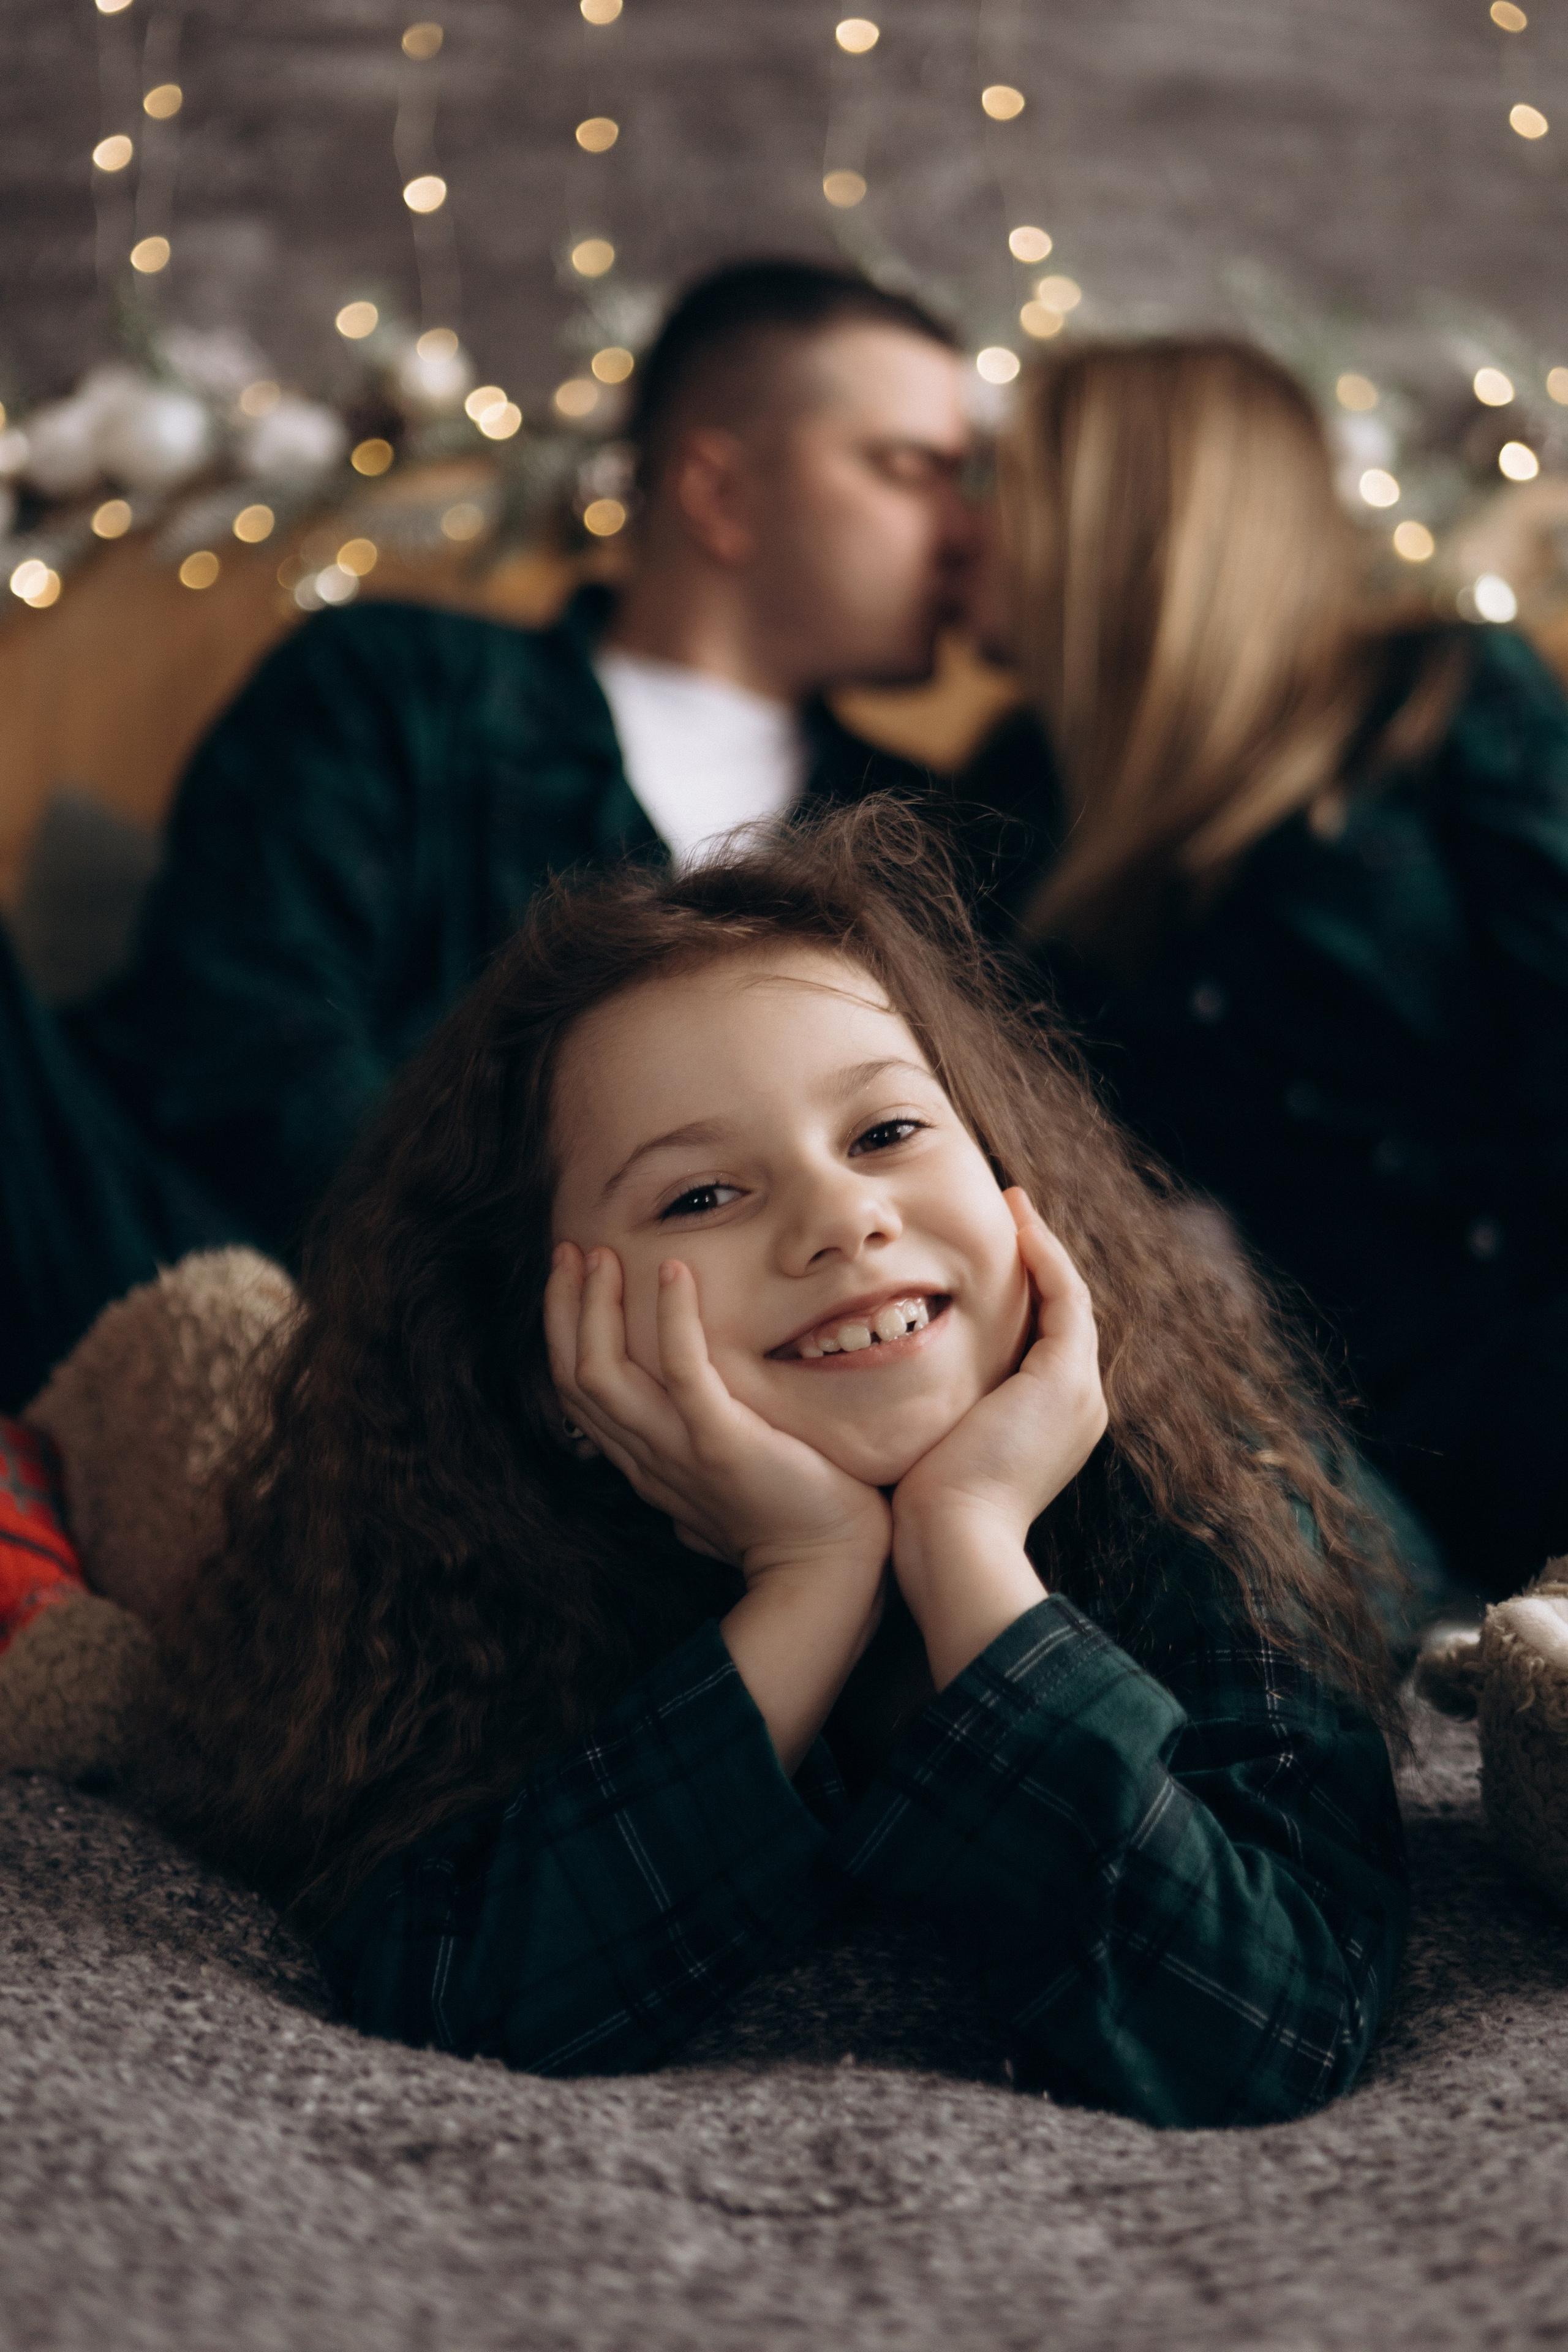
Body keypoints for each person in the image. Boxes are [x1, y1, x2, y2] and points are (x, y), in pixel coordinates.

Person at [154, 804, 1411, 2132]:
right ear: (547, 1364)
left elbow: (1272, 2030)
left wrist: (969, 1547)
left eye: (884, 1135)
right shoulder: (476, 1599)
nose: (840, 1220)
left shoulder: (1197, 1511)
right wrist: (808, 1579)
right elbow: (457, 2002)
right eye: (699, 1196)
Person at [1, 259, 981, 1409]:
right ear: (721, 493)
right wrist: (534, 1320)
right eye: (912, 471)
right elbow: (240, 1045)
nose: (966, 531)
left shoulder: (942, 834)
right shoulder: (398, 689)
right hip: (276, 1307)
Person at [963, 335, 1568, 1594]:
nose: (967, 529)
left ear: (1114, 526)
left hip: (1516, 1364)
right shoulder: (1011, 800)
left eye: (1000, 487)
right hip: (1277, 1437)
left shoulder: (1442, 703)